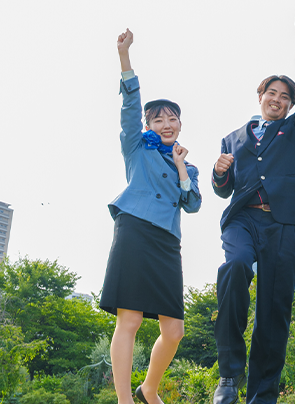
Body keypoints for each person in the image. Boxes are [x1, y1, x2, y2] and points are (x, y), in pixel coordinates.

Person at [209, 14, 295, 404]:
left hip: (284, 222)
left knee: (274, 307)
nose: (277, 100)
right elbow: (223, 190)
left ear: (290, 105)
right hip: (242, 220)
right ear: (260, 96)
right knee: (235, 267)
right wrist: (218, 172)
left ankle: (263, 395)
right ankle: (228, 375)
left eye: (284, 97)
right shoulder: (232, 137)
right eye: (271, 93)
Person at [99, 29, 202, 404]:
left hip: (166, 243)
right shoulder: (136, 148)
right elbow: (129, 107)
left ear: (179, 125)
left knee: (174, 330)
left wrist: (180, 169)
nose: (166, 124)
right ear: (148, 126)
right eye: (158, 120)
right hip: (135, 230)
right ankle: (126, 399)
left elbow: (192, 205)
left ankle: (149, 388)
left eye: (172, 119)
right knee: (130, 319)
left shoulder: (186, 166)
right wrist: (125, 58)